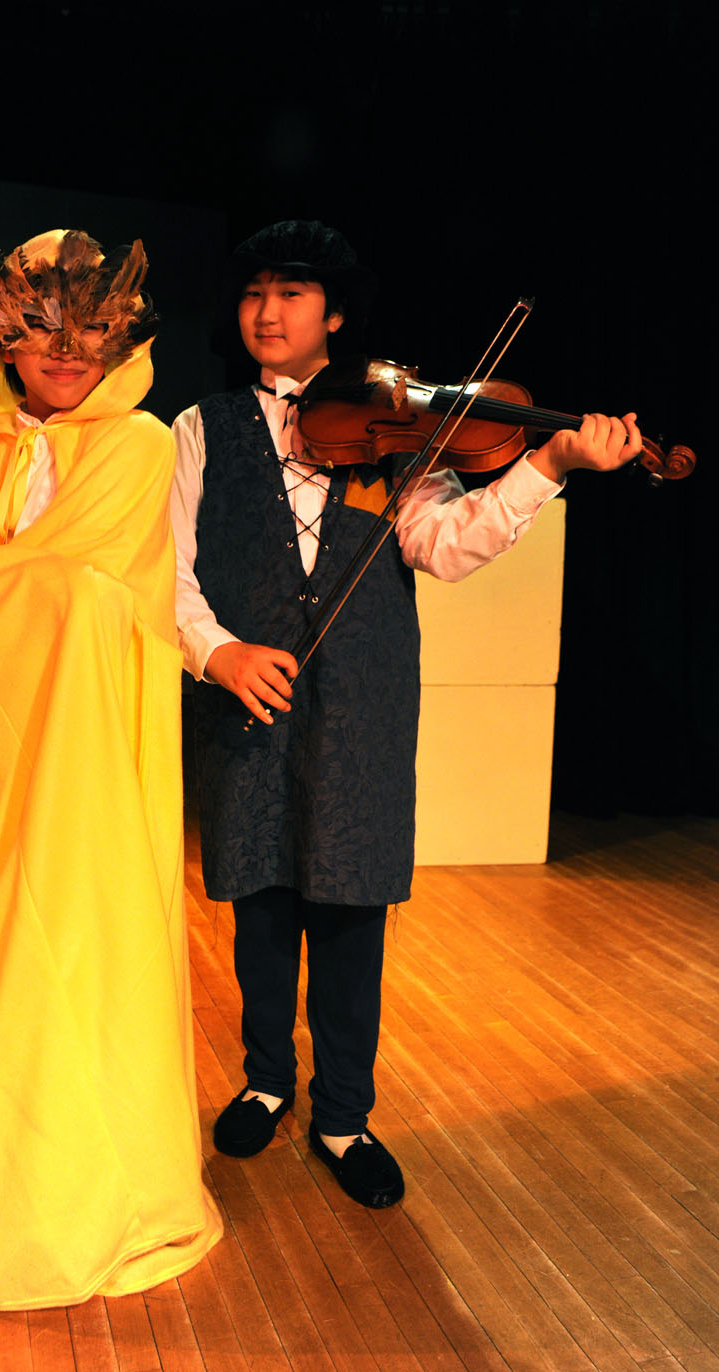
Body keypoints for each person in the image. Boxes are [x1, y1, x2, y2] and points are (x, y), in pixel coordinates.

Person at [171, 219, 641, 1209]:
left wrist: (546, 467)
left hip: (363, 700)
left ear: (333, 315)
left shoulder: (398, 430)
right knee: (259, 901)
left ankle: (342, 1116)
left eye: (292, 293)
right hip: (246, 696)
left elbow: (446, 543)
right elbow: (167, 575)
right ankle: (265, 1082)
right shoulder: (198, 427)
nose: (268, 310)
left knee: (349, 911)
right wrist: (218, 651)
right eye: (256, 290)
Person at [0, 228, 221, 1307]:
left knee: (88, 936)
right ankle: (12, 1173)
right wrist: (31, 592)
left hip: (93, 756)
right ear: (1, 334)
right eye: (40, 330)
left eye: (91, 330)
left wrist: (25, 594)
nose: (67, 353)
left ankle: (109, 1177)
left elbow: (105, 592)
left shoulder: (137, 448)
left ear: (122, 334)